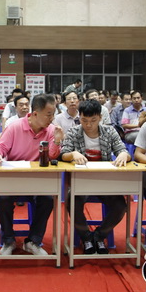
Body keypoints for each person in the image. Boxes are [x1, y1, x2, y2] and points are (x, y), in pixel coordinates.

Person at [0, 93, 65, 256]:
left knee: (47, 200)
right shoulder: (15, 127)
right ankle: (8, 241)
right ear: (35, 113)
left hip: (37, 179)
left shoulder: (51, 130)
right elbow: (0, 146)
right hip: (14, 178)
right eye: (49, 114)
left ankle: (32, 241)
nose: (52, 118)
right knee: (3, 200)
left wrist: (57, 141)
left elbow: (52, 156)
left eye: (53, 113)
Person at [60, 100, 130, 254]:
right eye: (84, 120)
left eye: (93, 120)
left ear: (100, 118)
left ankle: (99, 235)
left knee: (120, 206)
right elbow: (63, 154)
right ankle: (86, 236)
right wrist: (73, 154)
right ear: (79, 117)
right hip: (81, 181)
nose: (88, 124)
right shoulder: (74, 132)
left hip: (104, 181)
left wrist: (124, 154)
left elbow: (122, 150)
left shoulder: (109, 131)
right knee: (72, 201)